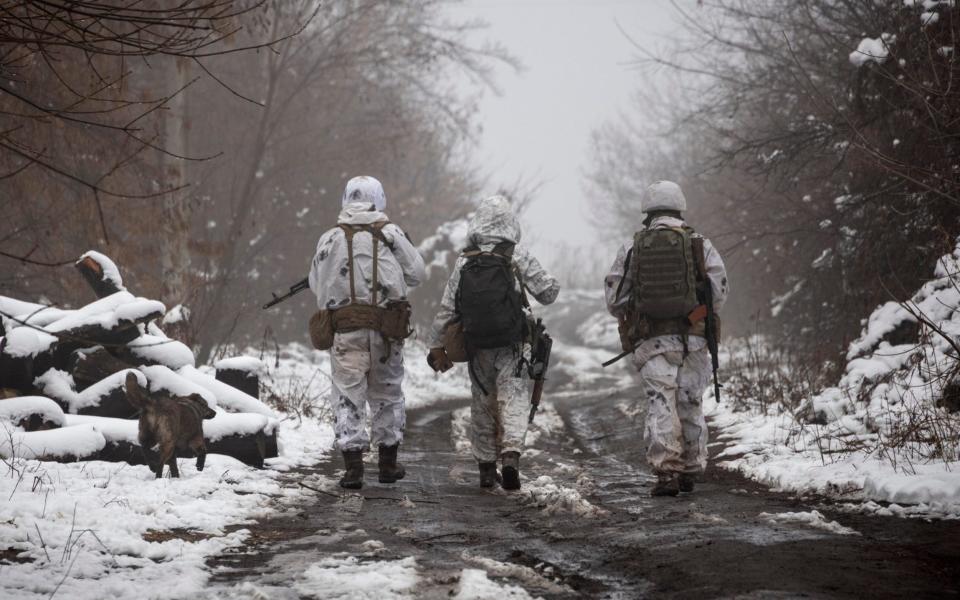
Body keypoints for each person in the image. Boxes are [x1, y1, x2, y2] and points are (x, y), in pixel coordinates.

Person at [604, 181, 729, 497]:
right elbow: (719, 291)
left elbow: (614, 300)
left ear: (648, 211)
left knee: (661, 402)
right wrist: (696, 315)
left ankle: (667, 473)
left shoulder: (633, 247)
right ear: (680, 207)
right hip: (695, 338)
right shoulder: (700, 244)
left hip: (651, 341)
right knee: (690, 401)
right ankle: (691, 469)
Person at [427, 195, 560, 490]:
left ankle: (486, 468)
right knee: (512, 396)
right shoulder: (516, 255)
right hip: (513, 342)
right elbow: (549, 293)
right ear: (509, 222)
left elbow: (447, 308)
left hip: (476, 343)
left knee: (483, 401)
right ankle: (511, 456)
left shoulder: (465, 260)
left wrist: (436, 344)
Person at [309, 176, 426, 489]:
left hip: (345, 332)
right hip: (387, 331)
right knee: (387, 395)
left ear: (345, 198)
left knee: (348, 397)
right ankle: (388, 465)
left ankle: (353, 469)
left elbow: (314, 283)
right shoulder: (392, 234)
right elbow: (417, 274)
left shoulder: (329, 238)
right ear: (380, 198)